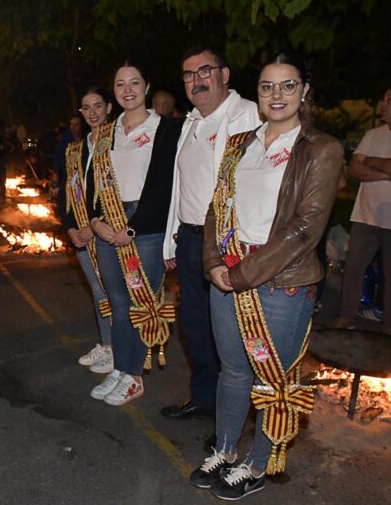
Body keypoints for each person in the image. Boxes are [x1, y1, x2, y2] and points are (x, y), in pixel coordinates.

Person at [191, 53, 343, 501]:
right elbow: (218, 208)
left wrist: (241, 275)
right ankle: (224, 449)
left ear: (305, 91)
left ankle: (258, 463)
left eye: (287, 85)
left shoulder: (322, 148)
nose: (276, 95)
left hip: (281, 283)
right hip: (229, 275)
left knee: (272, 379)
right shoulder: (240, 143)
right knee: (233, 372)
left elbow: (306, 227)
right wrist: (214, 263)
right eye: (267, 87)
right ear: (256, 95)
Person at [161, 46, 261, 420]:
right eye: (189, 75)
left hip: (224, 242)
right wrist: (173, 235)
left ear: (225, 74)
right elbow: (180, 184)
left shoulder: (247, 115)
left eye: (205, 71)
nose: (197, 80)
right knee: (195, 326)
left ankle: (232, 414)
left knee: (229, 333)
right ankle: (204, 397)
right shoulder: (191, 122)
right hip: (189, 239)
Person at [87, 61, 180, 406]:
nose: (128, 90)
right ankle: (121, 366)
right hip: (109, 226)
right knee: (118, 303)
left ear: (147, 86)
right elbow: (95, 182)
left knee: (142, 303)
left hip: (145, 228)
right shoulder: (106, 134)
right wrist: (97, 221)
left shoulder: (166, 130)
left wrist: (132, 227)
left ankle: (134, 376)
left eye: (134, 83)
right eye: (120, 84)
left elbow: (163, 186)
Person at [333, 85, 391, 334]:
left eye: (388, 100)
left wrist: (373, 162)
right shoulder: (373, 134)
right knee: (353, 268)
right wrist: (389, 174)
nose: (382, 104)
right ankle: (345, 316)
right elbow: (355, 169)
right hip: (366, 215)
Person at [64, 86, 114, 373]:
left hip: (106, 229)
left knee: (114, 292)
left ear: (108, 107)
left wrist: (93, 227)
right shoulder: (76, 150)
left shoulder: (118, 142)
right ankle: (107, 346)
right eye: (86, 107)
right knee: (98, 291)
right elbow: (67, 195)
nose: (93, 112)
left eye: (98, 106)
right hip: (81, 232)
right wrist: (71, 227)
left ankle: (120, 350)